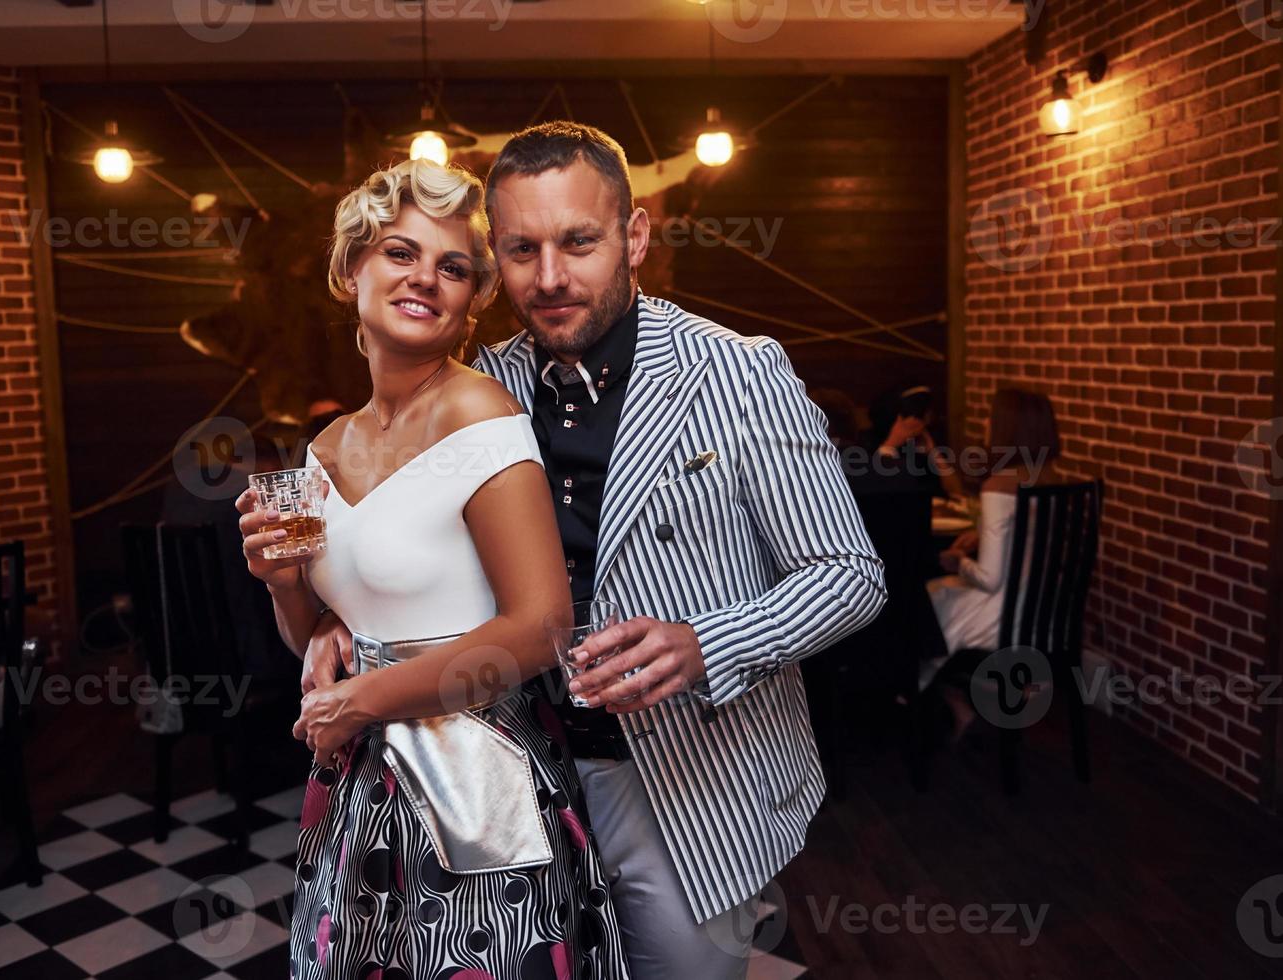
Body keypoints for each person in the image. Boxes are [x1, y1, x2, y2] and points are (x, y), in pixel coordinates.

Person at [302, 122, 887, 979]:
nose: (550, 278)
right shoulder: (477, 387)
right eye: (520, 250)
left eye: (578, 242)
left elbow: (849, 577)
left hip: (688, 783)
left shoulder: (737, 372)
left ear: (635, 236)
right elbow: (405, 542)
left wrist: (705, 643)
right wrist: (329, 617)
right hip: (517, 775)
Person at [235, 159, 630, 979]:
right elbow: (312, 638)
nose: (425, 279)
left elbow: (540, 626)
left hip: (475, 775)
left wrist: (362, 698)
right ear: (351, 271)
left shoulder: (478, 411)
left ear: (472, 300)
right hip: (361, 779)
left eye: (452, 267)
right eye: (398, 253)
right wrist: (282, 583)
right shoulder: (320, 451)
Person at [923, 387, 1065, 692]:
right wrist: (979, 535)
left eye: (991, 418)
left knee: (927, 602)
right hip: (1045, 614)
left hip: (1004, 618)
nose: (987, 424)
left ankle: (925, 709)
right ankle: (969, 703)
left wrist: (958, 561)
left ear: (1008, 428)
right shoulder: (1052, 480)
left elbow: (989, 579)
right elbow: (1031, 541)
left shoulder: (999, 487)